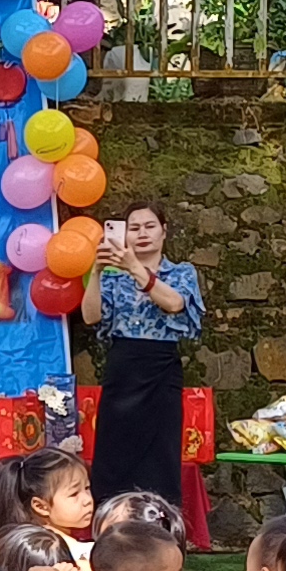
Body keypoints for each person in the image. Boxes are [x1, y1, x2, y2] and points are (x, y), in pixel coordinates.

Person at [82, 205, 205, 539]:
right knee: (113, 454)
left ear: (164, 230)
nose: (142, 233)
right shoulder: (113, 277)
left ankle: (163, 536)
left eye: (149, 226)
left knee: (160, 454)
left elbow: (174, 304)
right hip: (122, 366)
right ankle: (109, 534)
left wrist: (135, 267)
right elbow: (91, 317)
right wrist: (96, 272)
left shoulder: (181, 272)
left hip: (161, 367)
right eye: (134, 228)